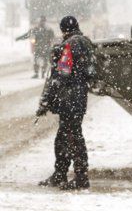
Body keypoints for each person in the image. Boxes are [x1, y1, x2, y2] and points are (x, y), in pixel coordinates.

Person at [36, 16, 96, 190]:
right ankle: (60, 174)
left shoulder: (68, 46)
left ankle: (80, 178)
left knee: (71, 137)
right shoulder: (86, 43)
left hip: (69, 99)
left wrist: (46, 101)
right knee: (65, 136)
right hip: (79, 98)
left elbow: (60, 75)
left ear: (62, 29)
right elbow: (91, 72)